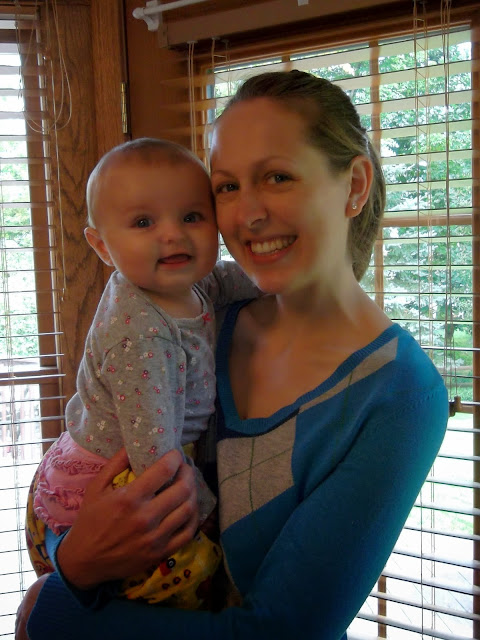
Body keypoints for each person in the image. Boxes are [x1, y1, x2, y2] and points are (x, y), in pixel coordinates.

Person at [18, 70, 448, 640]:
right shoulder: (197, 319)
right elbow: (90, 475)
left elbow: (283, 632)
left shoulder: (400, 395)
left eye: (277, 177)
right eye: (225, 187)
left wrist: (50, 609)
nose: (246, 215)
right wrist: (73, 565)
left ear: (354, 185)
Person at [25, 137, 259, 609]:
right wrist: (210, 513)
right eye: (143, 222)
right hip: (110, 485)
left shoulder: (180, 284)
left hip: (124, 457)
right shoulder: (142, 337)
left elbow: (225, 280)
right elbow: (155, 458)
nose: (172, 235)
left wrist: (280, 277)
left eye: (191, 217)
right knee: (199, 573)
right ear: (101, 245)